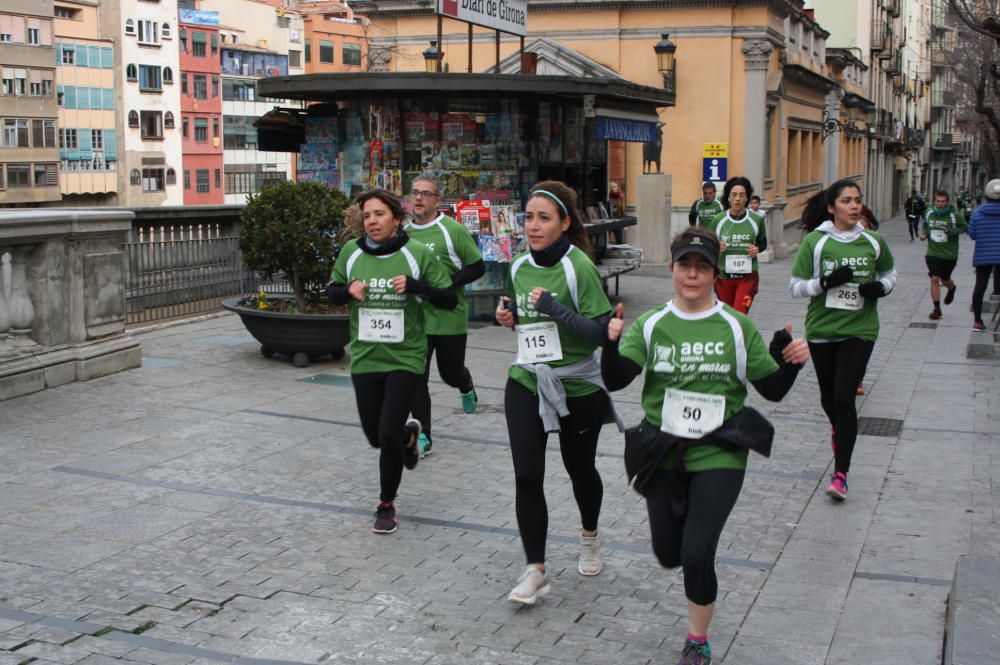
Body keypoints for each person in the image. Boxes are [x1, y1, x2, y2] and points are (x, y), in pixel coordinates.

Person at [602, 227, 810, 665]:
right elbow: (617, 378)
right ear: (673, 269)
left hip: (720, 450)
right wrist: (611, 341)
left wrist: (789, 364)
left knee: (697, 553)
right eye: (684, 266)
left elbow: (770, 390)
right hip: (662, 449)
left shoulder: (736, 326)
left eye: (701, 267)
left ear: (714, 273)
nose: (692, 275)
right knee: (668, 552)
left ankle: (697, 640)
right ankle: (691, 557)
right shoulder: (654, 323)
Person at [494, 180, 620, 605]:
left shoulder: (577, 266)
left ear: (564, 224)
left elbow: (601, 333)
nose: (533, 225)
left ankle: (589, 535)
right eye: (528, 217)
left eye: (543, 218)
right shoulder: (516, 265)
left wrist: (553, 308)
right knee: (527, 476)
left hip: (577, 385)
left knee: (579, 470)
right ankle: (536, 569)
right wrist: (508, 315)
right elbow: (519, 309)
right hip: (528, 378)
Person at [327, 189, 456, 535]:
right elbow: (331, 291)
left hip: (406, 357)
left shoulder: (415, 254)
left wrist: (417, 286)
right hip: (367, 357)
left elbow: (448, 298)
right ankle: (408, 438)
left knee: (385, 431)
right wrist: (346, 292)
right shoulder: (351, 254)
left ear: (397, 219)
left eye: (379, 214)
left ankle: (386, 504)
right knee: (375, 436)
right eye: (367, 215)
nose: (372, 221)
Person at [790, 179, 896, 501]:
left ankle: (841, 474)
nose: (854, 206)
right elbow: (795, 287)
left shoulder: (873, 241)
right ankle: (840, 429)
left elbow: (890, 275)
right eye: (847, 201)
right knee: (828, 399)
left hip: (860, 330)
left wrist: (880, 289)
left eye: (857, 200)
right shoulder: (816, 243)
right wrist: (824, 282)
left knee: (843, 395)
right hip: (822, 330)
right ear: (832, 207)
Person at [405, 174, 484, 458]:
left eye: (425, 194)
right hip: (417, 320)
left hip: (450, 316)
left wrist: (450, 285)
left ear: (437, 199)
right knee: (417, 378)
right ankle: (423, 435)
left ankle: (465, 383)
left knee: (450, 373)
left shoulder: (452, 230)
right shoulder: (403, 233)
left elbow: (477, 267)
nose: (418, 198)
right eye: (415, 193)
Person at [711, 176, 766, 314]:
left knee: (739, 315)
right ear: (729, 197)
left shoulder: (756, 220)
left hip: (747, 277)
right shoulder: (718, 220)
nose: (737, 199)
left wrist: (757, 249)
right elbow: (707, 245)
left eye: (742, 195)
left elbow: (763, 242)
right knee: (728, 316)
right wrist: (716, 246)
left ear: (746, 198)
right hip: (724, 277)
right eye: (734, 195)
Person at [921, 190, 967, 321]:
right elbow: (925, 224)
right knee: (934, 279)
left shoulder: (955, 215)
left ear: (947, 202)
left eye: (943, 202)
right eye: (938, 201)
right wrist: (924, 234)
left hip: (949, 254)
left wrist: (953, 231)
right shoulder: (929, 212)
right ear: (935, 201)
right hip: (933, 252)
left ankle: (952, 288)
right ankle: (937, 309)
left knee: (945, 280)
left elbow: (965, 227)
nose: (940, 204)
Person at [968, 178, 1000, 332]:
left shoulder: (977, 213)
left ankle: (977, 321)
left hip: (983, 256)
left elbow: (973, 234)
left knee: (980, 287)